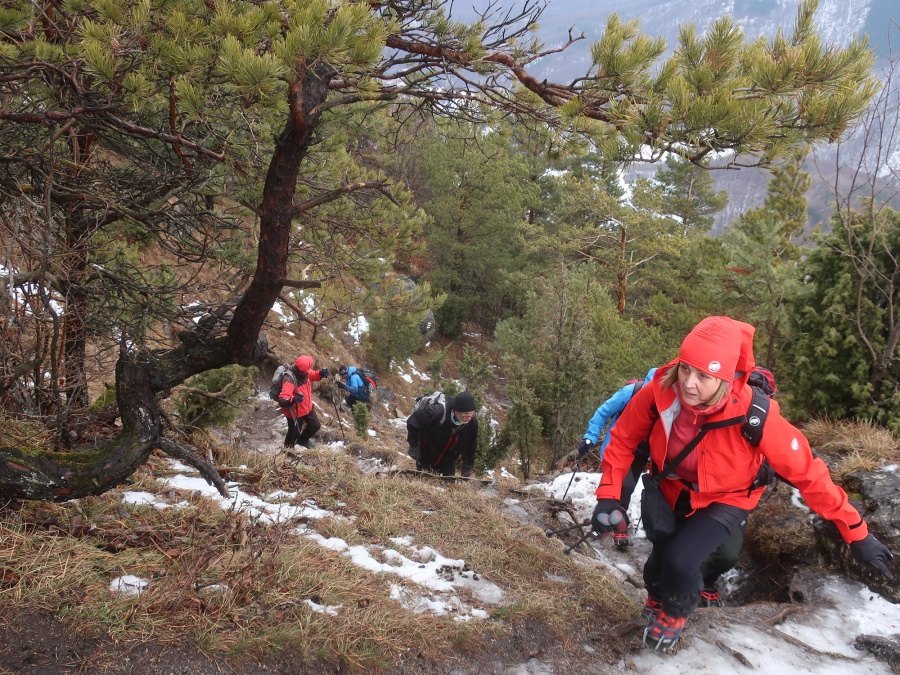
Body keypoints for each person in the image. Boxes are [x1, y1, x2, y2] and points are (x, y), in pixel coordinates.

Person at [590, 316, 893, 652]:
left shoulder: (755, 415)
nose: (689, 383)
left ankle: (678, 610)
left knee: (680, 560)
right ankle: (657, 596)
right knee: (659, 557)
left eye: (704, 376)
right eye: (685, 369)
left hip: (726, 498)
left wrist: (856, 533)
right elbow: (623, 440)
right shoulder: (659, 392)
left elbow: (810, 474)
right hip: (671, 489)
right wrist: (609, 497)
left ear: (727, 378)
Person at [406, 391, 478, 477]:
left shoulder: (471, 422)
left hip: (449, 458)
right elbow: (413, 423)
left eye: (471, 414)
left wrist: (468, 466)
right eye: (466, 414)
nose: (469, 418)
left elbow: (471, 444)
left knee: (448, 482)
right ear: (456, 410)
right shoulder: (437, 412)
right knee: (424, 478)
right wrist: (414, 445)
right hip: (427, 453)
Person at [278, 355, 330, 449]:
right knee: (294, 433)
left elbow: (312, 375)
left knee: (315, 426)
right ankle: (287, 451)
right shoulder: (289, 379)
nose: (310, 368)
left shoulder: (304, 372)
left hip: (307, 407)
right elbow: (282, 400)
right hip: (295, 412)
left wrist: (320, 373)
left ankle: (302, 440)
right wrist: (293, 399)